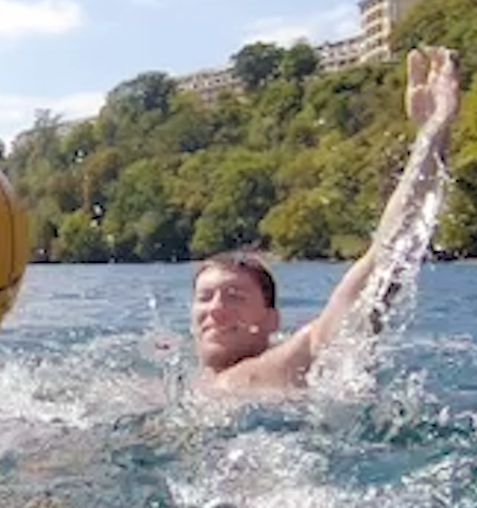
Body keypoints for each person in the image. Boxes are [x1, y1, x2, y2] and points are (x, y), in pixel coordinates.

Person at [191, 45, 463, 391]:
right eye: (205, 297)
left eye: (234, 296)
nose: (216, 309)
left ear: (271, 320)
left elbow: (384, 261)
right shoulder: (178, 384)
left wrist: (434, 133)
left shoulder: (276, 369)